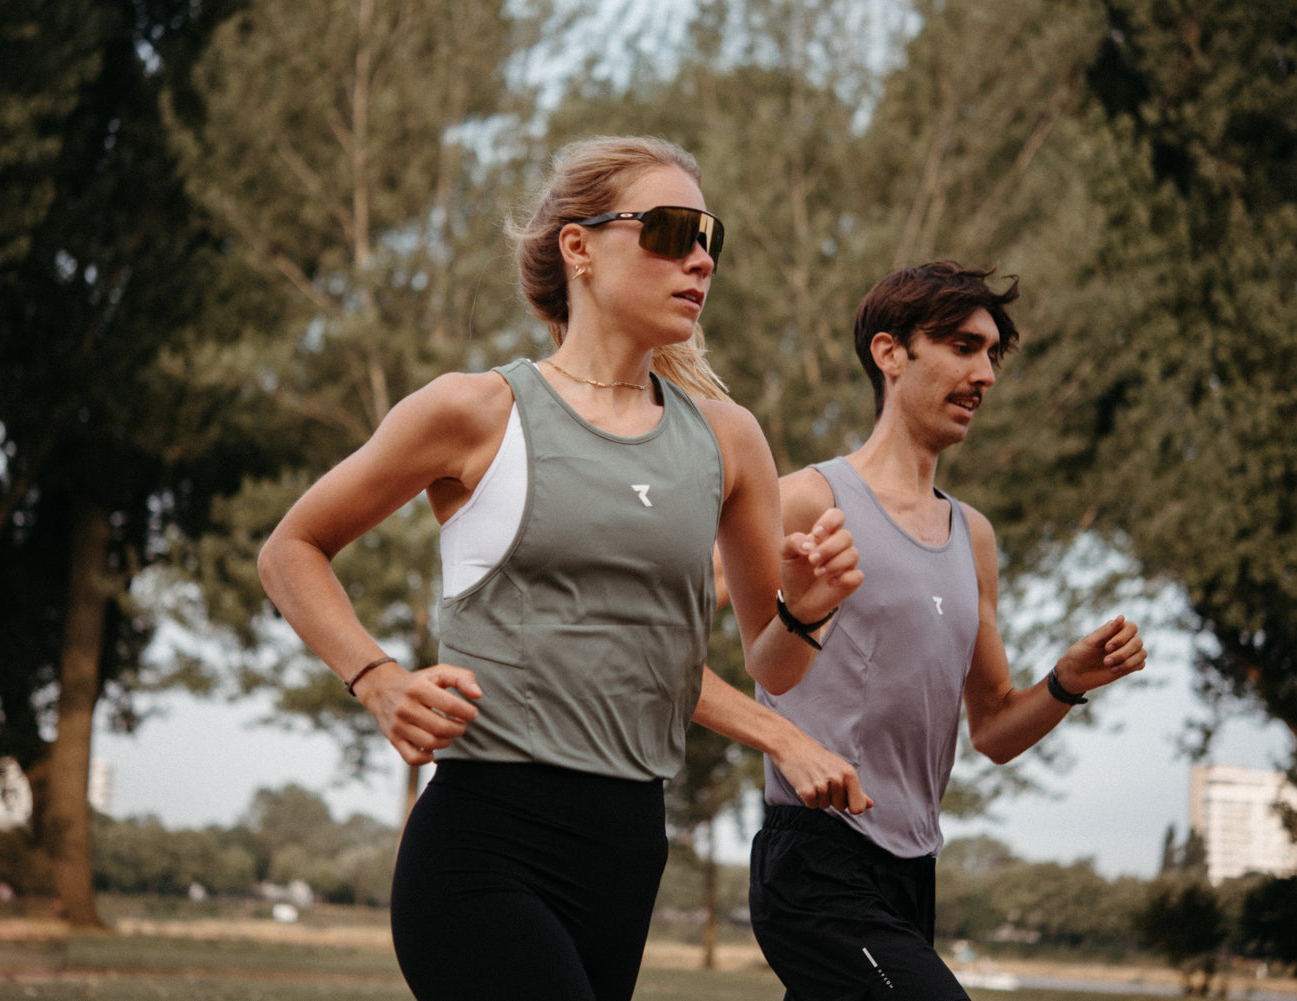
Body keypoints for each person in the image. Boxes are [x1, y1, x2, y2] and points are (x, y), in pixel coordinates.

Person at [256, 135, 865, 1001]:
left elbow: (773, 662)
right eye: (669, 230)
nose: (699, 258)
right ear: (578, 247)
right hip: (482, 839)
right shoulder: (475, 411)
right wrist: (378, 679)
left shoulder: (729, 440)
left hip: (628, 845)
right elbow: (290, 549)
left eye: (709, 239)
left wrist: (805, 611)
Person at [746, 261, 1149, 1001]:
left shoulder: (975, 538)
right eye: (964, 346)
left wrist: (1066, 683)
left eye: (993, 354)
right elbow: (688, 628)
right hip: (817, 861)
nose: (986, 372)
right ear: (890, 353)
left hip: (911, 869)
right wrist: (783, 735)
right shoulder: (809, 498)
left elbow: (993, 728)